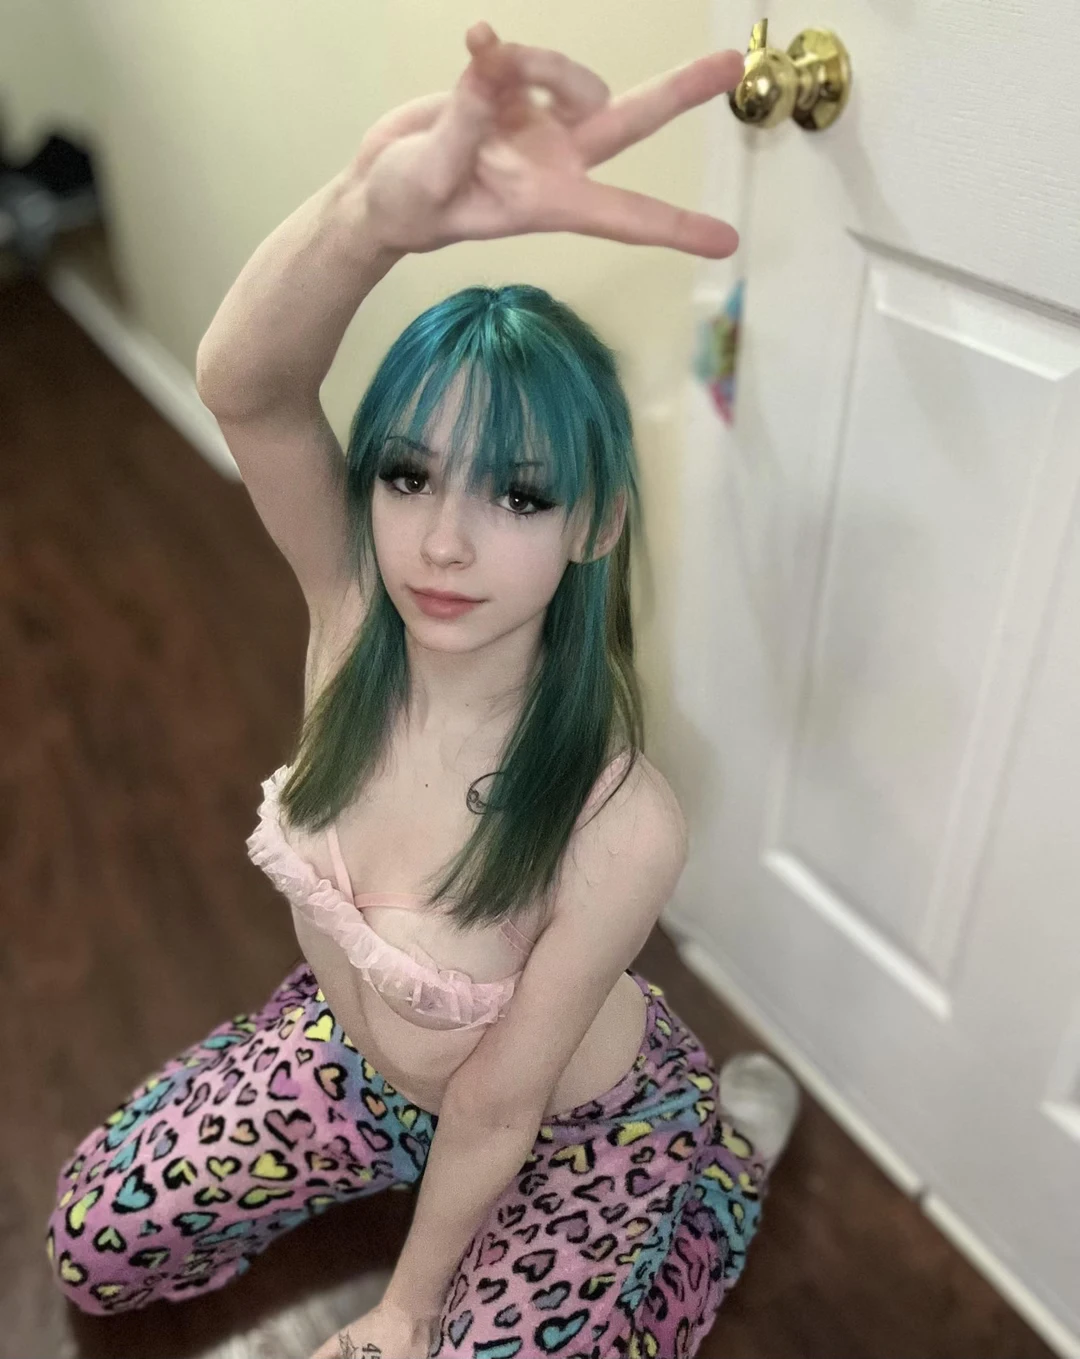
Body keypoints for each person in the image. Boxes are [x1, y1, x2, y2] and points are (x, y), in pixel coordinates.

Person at [45, 22, 798, 1359]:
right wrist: (369, 220)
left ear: (595, 522)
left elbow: (501, 1106)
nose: (443, 542)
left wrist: (404, 1307)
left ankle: (719, 1165)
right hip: (361, 1063)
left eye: (519, 493)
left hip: (569, 1125)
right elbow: (248, 387)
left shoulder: (621, 822)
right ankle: (382, 1166)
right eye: (407, 475)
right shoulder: (352, 607)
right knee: (91, 1242)